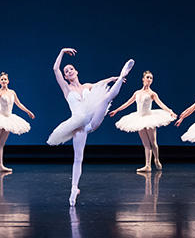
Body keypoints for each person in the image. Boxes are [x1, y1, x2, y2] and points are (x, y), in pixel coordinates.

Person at [47, 48, 134, 205]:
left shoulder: (86, 86)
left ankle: (122, 75)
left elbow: (99, 84)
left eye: (71, 69)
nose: (69, 71)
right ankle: (74, 189)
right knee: (78, 158)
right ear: (65, 77)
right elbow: (55, 69)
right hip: (79, 125)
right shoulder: (67, 89)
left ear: (76, 71)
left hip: (92, 119)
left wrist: (113, 79)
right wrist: (61, 51)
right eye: (66, 71)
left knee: (106, 98)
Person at [109, 70, 176, 172]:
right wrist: (117, 110)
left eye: (151, 78)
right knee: (146, 144)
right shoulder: (137, 93)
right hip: (139, 118)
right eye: (148, 77)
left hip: (149, 118)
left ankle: (157, 159)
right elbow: (127, 103)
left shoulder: (152, 94)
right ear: (143, 79)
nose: (149, 79)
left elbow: (161, 104)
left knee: (153, 142)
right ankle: (147, 165)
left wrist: (170, 111)